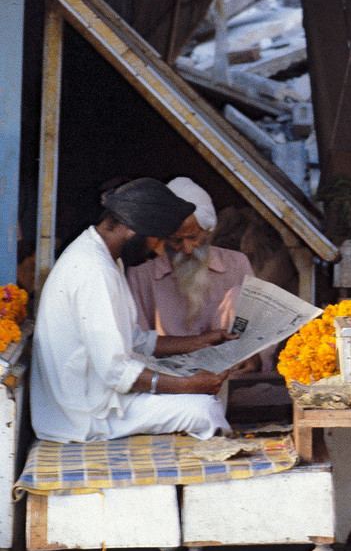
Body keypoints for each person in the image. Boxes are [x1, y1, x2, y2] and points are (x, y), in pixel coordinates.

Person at [30, 178, 236, 443]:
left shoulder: (101, 256)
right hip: (84, 416)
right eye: (159, 240)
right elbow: (116, 372)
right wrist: (188, 386)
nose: (160, 251)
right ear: (134, 229)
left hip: (94, 398)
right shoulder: (95, 270)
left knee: (195, 390)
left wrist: (201, 341)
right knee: (205, 409)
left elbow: (135, 340)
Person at [126, 178, 261, 369]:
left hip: (229, 375)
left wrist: (254, 360)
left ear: (206, 231)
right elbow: (138, 345)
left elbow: (257, 330)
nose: (187, 249)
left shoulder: (236, 263)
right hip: (170, 381)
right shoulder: (141, 275)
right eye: (176, 240)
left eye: (193, 237)